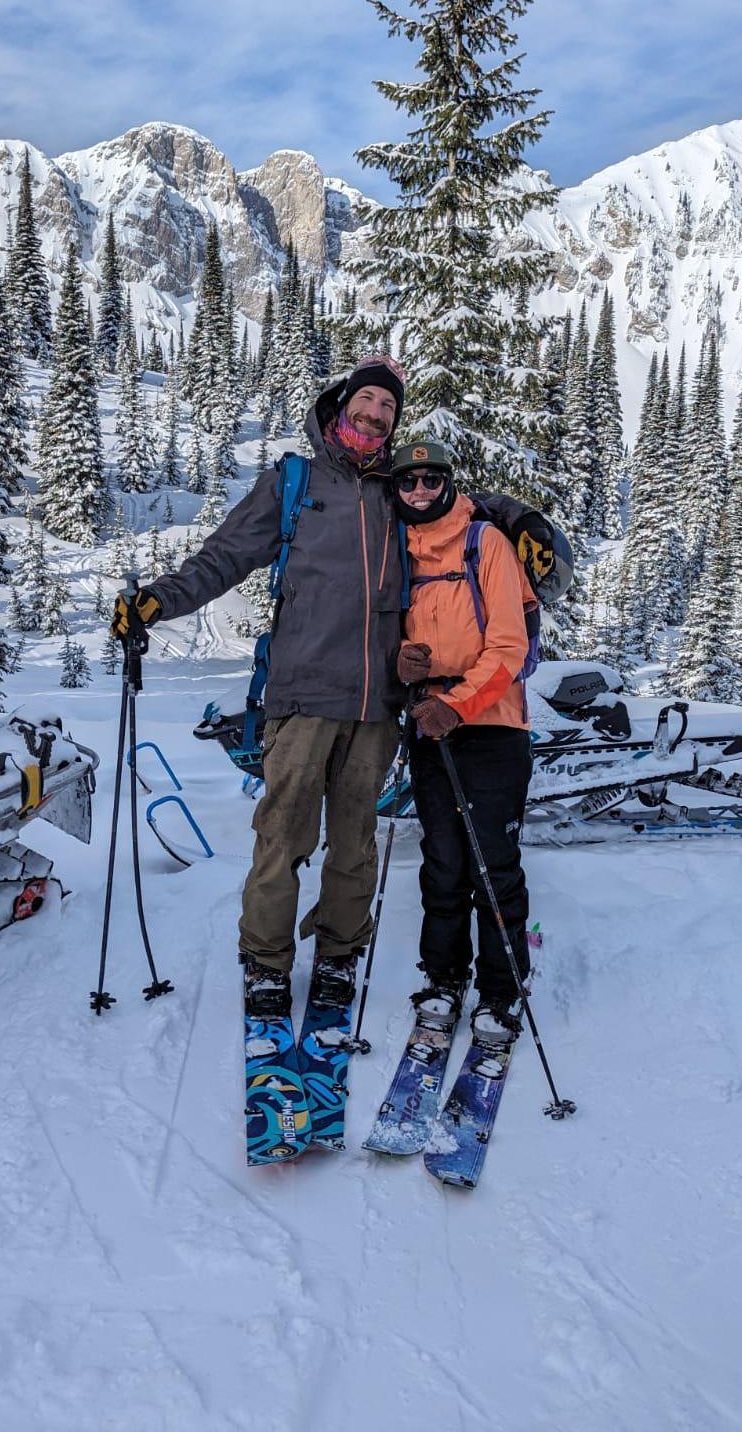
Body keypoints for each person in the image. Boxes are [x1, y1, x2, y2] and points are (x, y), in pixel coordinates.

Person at [110, 356, 409, 1018]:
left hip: (376, 705)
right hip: (302, 694)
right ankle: (268, 964)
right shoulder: (296, 482)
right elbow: (224, 557)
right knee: (283, 835)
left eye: (388, 408)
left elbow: (463, 519)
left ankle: (338, 957)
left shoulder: (400, 493)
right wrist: (158, 602)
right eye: (367, 401)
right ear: (340, 407)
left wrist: (522, 524)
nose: (376, 414)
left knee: (356, 842)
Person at [390, 439, 539, 1044]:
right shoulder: (398, 555)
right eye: (409, 482)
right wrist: (403, 664)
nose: (421, 491)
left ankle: (502, 987)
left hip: (493, 726)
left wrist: (455, 704)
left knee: (490, 862)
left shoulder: (487, 543)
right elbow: (394, 641)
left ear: (449, 483)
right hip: (431, 723)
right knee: (443, 859)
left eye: (432, 480)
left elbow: (510, 648)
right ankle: (444, 976)